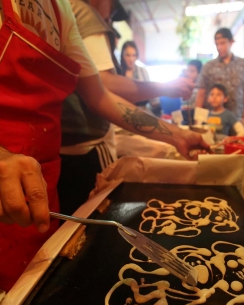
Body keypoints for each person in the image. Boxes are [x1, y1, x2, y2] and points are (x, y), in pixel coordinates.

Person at [0, 0, 210, 305]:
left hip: (41, 185)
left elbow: (100, 96)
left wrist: (178, 135)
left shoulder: (60, 9)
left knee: (40, 300)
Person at [60, 0, 199, 215]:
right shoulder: (83, 13)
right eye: (111, 11)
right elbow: (103, 91)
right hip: (87, 147)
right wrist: (175, 129)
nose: (108, 18)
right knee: (91, 226)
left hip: (53, 148)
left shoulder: (55, 11)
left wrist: (176, 134)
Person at [195, 28, 244, 132]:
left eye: (222, 43)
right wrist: (197, 121)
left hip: (237, 118)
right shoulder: (208, 66)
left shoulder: (243, 65)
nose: (219, 47)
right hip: (214, 122)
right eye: (217, 44)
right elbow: (201, 93)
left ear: (231, 42)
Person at [119, 41, 161, 116]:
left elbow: (152, 96)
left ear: (137, 56)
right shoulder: (118, 73)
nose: (131, 59)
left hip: (142, 113)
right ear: (122, 55)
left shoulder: (143, 71)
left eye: (133, 55)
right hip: (122, 113)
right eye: (127, 55)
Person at [181, 59, 203, 125]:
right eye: (188, 70)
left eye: (192, 71)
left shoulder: (201, 89)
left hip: (196, 117)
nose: (188, 73)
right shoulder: (183, 85)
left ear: (199, 73)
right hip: (184, 117)